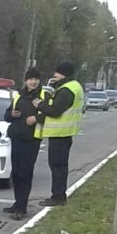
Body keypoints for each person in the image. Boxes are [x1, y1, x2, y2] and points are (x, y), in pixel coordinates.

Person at [33, 60, 85, 207]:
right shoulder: (74, 86)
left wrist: (40, 104)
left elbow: (55, 111)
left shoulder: (66, 90)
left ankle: (58, 197)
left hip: (60, 133)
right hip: (64, 132)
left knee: (57, 166)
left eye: (57, 73)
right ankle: (58, 195)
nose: (54, 75)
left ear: (63, 74)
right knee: (59, 166)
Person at [4, 68, 43, 219]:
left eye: (36, 79)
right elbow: (7, 115)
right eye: (30, 79)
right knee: (16, 173)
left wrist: (36, 118)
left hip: (32, 139)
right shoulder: (18, 95)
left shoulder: (43, 95)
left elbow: (51, 112)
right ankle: (17, 203)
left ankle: (22, 207)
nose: (33, 82)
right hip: (17, 137)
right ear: (26, 80)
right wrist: (11, 115)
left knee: (25, 173)